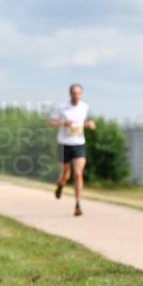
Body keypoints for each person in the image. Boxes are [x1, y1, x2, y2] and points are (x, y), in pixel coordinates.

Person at [48, 83, 96, 216]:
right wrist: (63, 123)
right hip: (64, 144)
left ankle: (78, 205)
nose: (76, 96)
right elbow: (50, 122)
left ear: (81, 94)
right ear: (70, 94)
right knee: (66, 175)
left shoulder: (85, 107)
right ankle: (61, 185)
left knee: (78, 174)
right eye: (74, 93)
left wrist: (90, 124)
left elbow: (89, 121)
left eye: (79, 93)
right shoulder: (62, 107)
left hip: (79, 143)